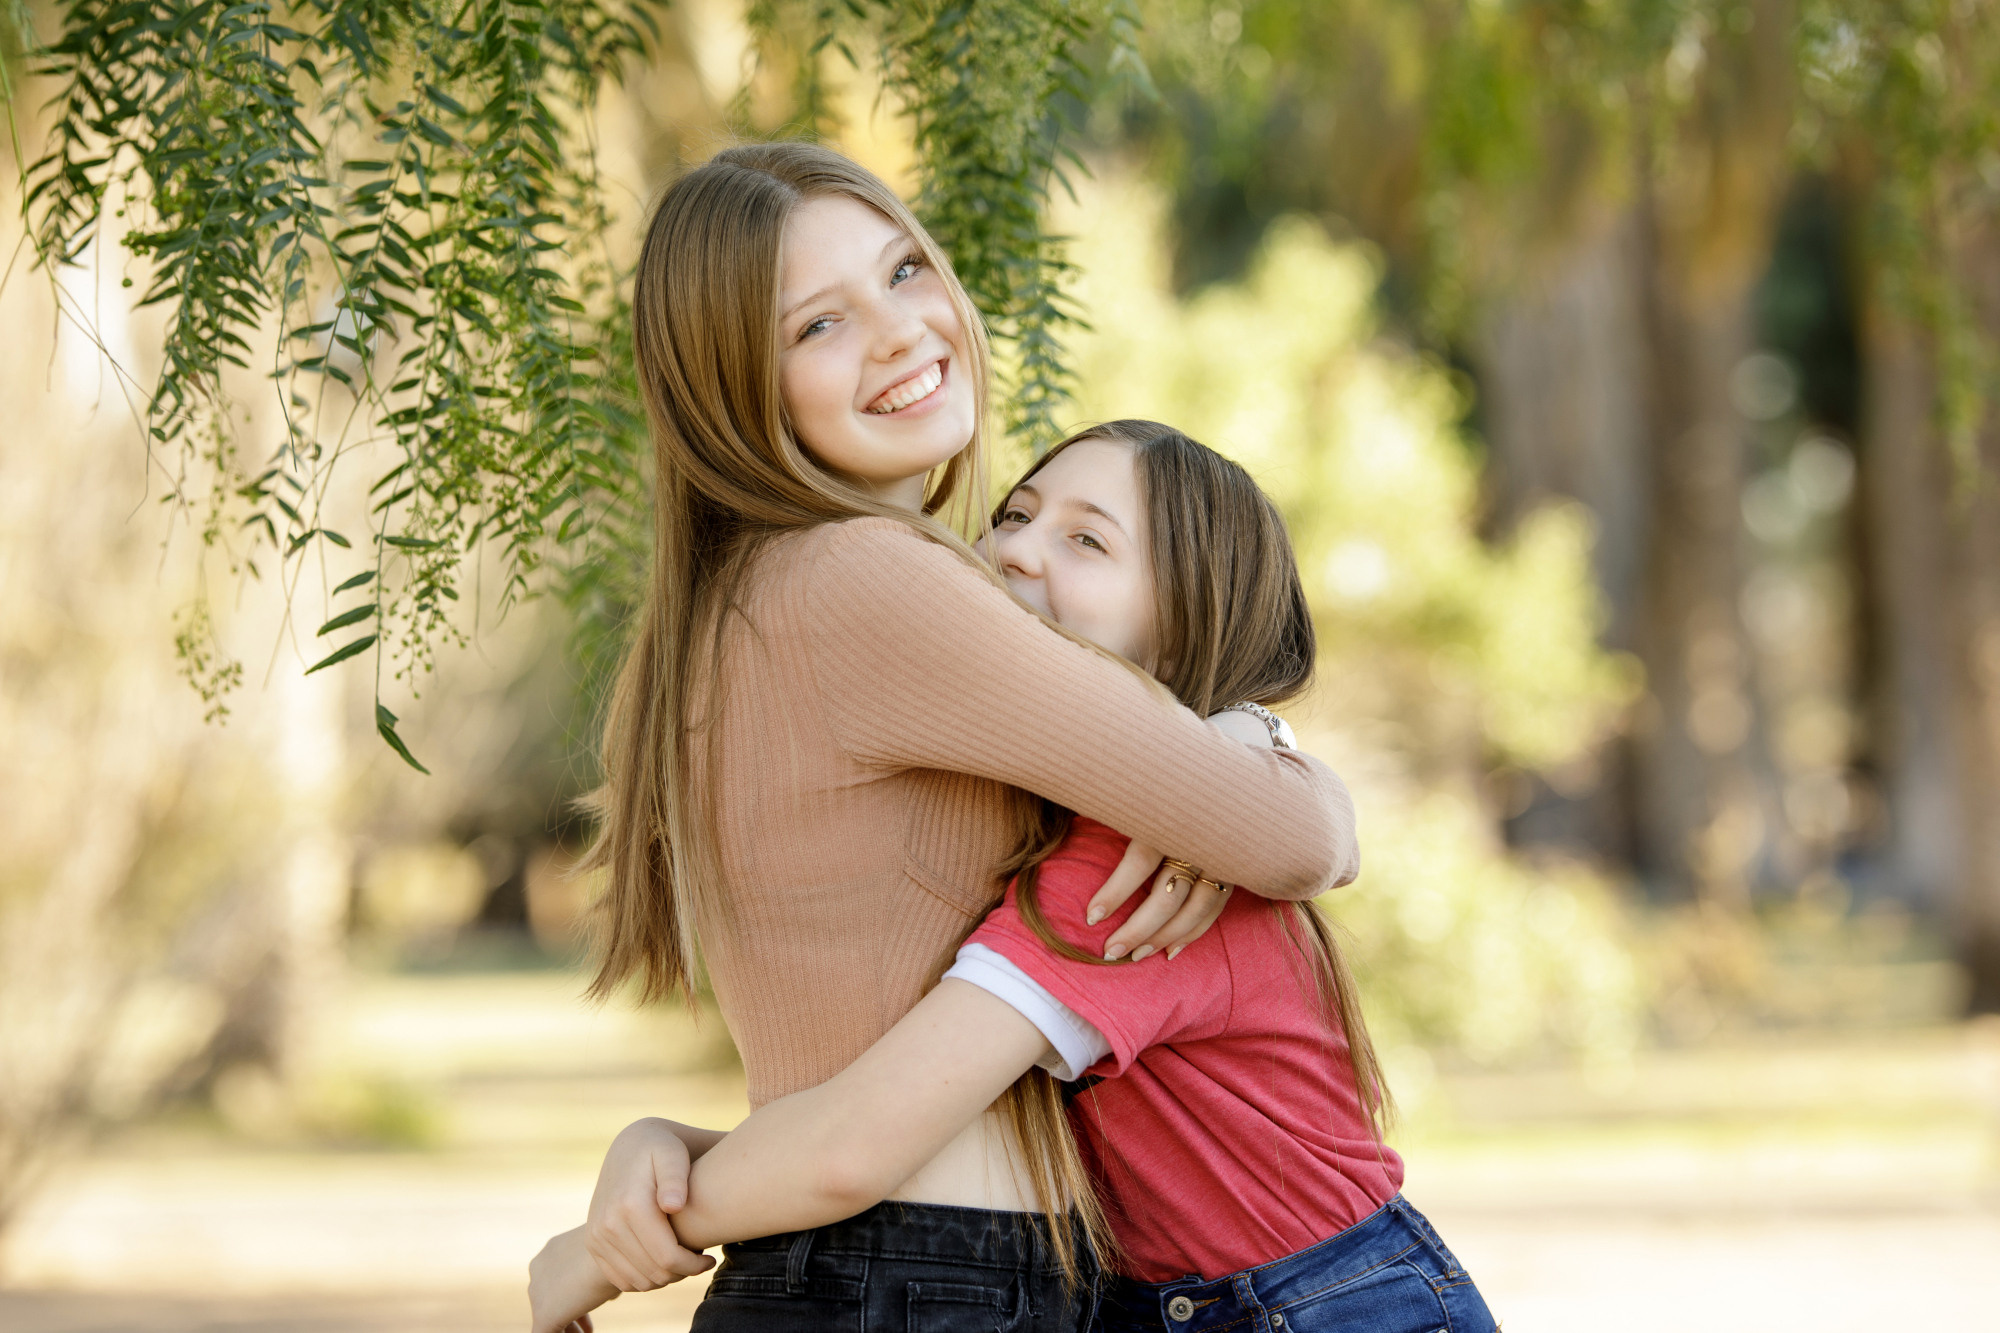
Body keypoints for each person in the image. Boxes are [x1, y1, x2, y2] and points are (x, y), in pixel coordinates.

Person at [525, 141, 1362, 1333]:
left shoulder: (758, 594)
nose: (898, 331)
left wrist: (673, 1155)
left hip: (864, 1274)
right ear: (735, 390)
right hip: (929, 1284)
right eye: (817, 325)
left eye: (904, 269)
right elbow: (1297, 838)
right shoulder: (868, 580)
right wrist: (1236, 746)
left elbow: (861, 1082)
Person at [569, 423, 1500, 1333]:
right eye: (1014, 515)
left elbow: (857, 1141)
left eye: (1087, 540)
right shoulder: (1063, 832)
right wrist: (668, 1147)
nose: (1014, 549)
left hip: (1332, 1302)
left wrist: (599, 1247)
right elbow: (915, 1119)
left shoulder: (1123, 874)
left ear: (1183, 634)